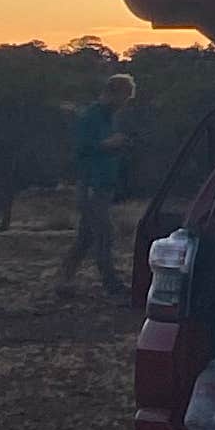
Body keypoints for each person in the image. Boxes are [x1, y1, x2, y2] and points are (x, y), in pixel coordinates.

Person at [56, 73, 139, 299]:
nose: (124, 105)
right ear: (114, 93)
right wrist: (108, 144)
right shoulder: (91, 117)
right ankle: (112, 285)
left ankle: (64, 278)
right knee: (105, 234)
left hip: (103, 184)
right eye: (124, 98)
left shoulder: (108, 118)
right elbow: (81, 149)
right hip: (92, 185)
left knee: (86, 237)